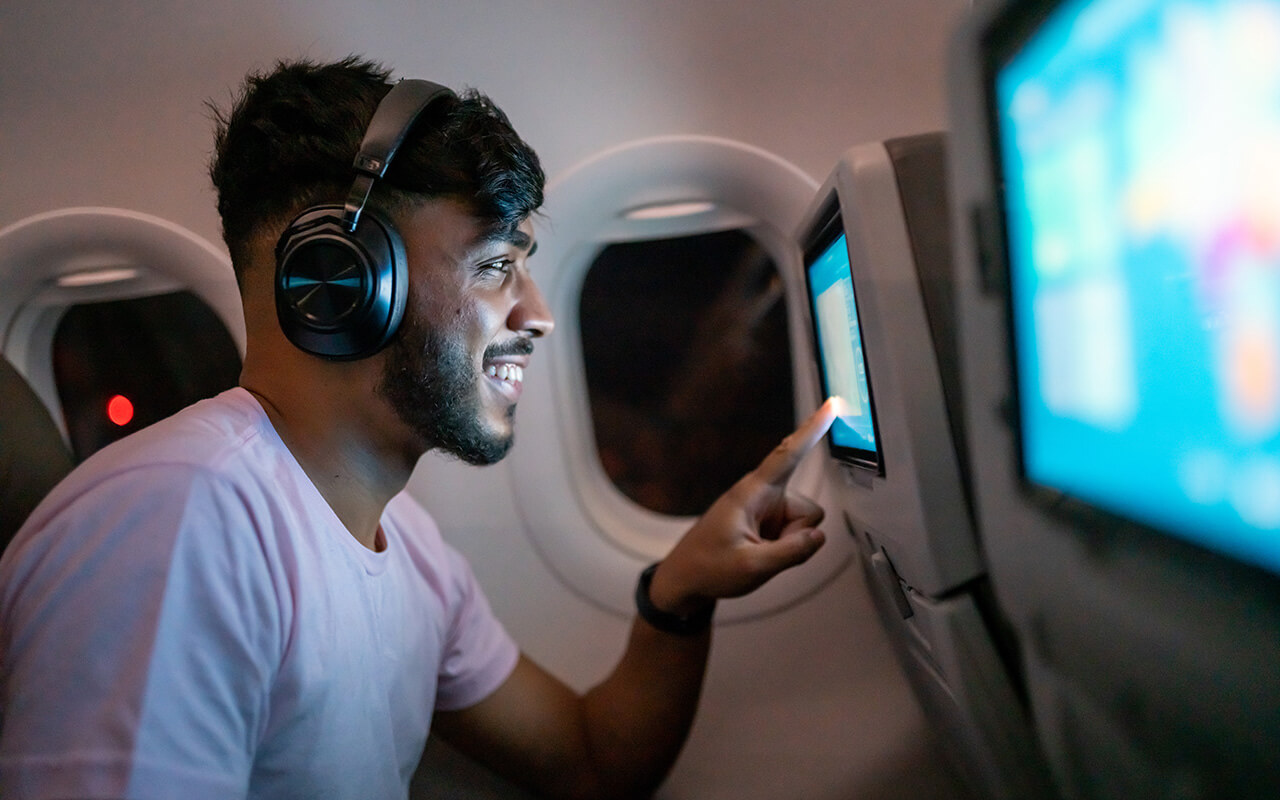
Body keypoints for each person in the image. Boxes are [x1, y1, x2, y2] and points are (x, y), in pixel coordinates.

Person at [0, 56, 838, 800]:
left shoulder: (409, 547)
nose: (538, 316)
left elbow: (589, 763)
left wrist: (678, 592)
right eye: (495, 266)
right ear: (343, 284)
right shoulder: (179, 524)